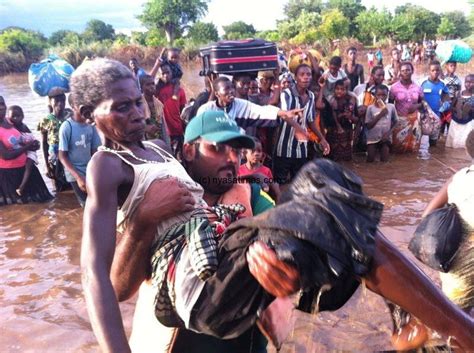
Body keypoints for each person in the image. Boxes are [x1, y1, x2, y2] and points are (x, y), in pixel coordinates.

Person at [79, 59, 474, 353]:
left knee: (326, 184)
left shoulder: (247, 192)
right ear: (188, 152)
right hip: (189, 325)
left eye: (137, 104)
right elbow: (105, 281)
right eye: (217, 149)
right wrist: (144, 221)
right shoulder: (111, 167)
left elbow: (310, 249)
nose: (232, 160)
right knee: (321, 202)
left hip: (246, 328)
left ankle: (422, 325)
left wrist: (287, 277)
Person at [422, 129, 474, 313]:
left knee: (456, 320)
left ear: (468, 152)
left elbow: (427, 215)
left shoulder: (457, 178)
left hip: (452, 264)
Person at [273, 64, 330, 185]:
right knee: (280, 183)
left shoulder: (311, 96)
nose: (306, 77)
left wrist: (322, 139)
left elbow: (310, 121)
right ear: (296, 77)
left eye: (308, 74)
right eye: (302, 74)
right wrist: (298, 128)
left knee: (300, 184)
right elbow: (285, 115)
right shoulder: (286, 94)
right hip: (284, 148)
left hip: (301, 149)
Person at [0, 97, 52, 205]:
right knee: (16, 210)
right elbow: (6, 155)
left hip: (25, 169)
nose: (1, 107)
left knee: (43, 205)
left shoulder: (9, 120)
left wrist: (34, 144)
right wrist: (27, 147)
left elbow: (25, 136)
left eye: (2, 103)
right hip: (9, 176)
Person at [58, 97, 101, 207]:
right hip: (75, 172)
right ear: (73, 107)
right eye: (81, 106)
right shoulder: (67, 127)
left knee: (98, 201)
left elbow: (94, 151)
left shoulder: (91, 126)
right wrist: (78, 177)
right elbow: (62, 156)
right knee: (86, 205)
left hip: (89, 169)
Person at [37, 89, 72, 192]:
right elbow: (44, 143)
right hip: (54, 158)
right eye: (56, 101)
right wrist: (47, 165)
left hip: (70, 154)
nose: (60, 103)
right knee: (58, 188)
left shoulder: (69, 116)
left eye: (62, 100)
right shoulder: (46, 120)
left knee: (72, 184)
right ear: (50, 101)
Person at [319, 79, 357, 161]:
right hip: (332, 130)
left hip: (347, 130)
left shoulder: (351, 99)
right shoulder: (330, 100)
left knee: (346, 158)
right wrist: (338, 126)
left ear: (346, 90)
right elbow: (326, 115)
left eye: (342, 89)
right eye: (337, 89)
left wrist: (350, 117)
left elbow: (356, 118)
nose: (339, 91)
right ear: (334, 89)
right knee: (333, 157)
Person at [5, 105, 40, 196]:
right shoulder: (10, 129)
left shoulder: (24, 127)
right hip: (23, 150)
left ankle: (22, 186)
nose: (16, 118)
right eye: (13, 116)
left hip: (30, 150)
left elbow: (32, 139)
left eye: (18, 116)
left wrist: (35, 144)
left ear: (23, 116)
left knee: (29, 165)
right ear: (8, 118)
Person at [389, 62, 423, 154]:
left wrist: (416, 106)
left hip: (415, 121)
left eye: (408, 70)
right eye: (403, 71)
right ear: (400, 72)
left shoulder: (418, 87)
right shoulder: (394, 88)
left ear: (412, 71)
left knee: (413, 148)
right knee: (397, 147)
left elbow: (423, 103)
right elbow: (390, 105)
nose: (406, 72)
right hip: (399, 121)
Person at [155, 64, 187, 160]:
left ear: (172, 73)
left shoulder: (179, 91)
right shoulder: (157, 90)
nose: (165, 75)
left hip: (176, 128)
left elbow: (182, 111)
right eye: (163, 73)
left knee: (179, 157)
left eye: (167, 72)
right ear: (159, 75)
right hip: (162, 130)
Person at [420, 60, 450, 150]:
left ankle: (431, 159)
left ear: (440, 71)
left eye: (437, 70)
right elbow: (417, 96)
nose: (435, 72)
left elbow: (446, 95)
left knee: (433, 143)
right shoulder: (423, 83)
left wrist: (445, 103)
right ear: (429, 71)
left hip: (437, 116)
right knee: (419, 140)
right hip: (424, 116)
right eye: (433, 70)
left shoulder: (442, 84)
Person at [365, 85, 398, 162]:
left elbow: (396, 121)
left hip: (385, 138)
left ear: (387, 95)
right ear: (374, 95)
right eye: (378, 95)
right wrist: (380, 115)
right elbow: (368, 126)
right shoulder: (370, 108)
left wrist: (388, 134)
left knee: (385, 161)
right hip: (372, 139)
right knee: (370, 159)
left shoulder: (391, 107)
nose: (381, 97)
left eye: (384, 95)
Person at [139, 74, 170, 146]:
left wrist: (167, 146)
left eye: (153, 84)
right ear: (141, 87)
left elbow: (163, 128)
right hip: (144, 143)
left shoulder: (159, 104)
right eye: (148, 84)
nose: (152, 87)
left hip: (159, 142)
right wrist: (145, 128)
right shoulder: (137, 104)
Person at [446, 74, 474, 148]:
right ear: (464, 82)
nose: (469, 84)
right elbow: (452, 106)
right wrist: (458, 109)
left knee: (465, 141)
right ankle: (461, 111)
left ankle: (464, 110)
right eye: (467, 82)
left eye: (472, 82)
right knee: (459, 106)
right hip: (457, 118)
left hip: (469, 118)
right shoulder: (459, 94)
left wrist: (470, 109)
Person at [441, 61, 463, 136]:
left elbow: (458, 93)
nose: (453, 67)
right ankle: (440, 138)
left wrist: (453, 104)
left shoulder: (457, 80)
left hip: (452, 103)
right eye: (451, 66)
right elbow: (440, 91)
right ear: (446, 66)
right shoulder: (442, 78)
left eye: (454, 66)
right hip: (443, 102)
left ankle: (448, 138)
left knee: (450, 122)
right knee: (441, 122)